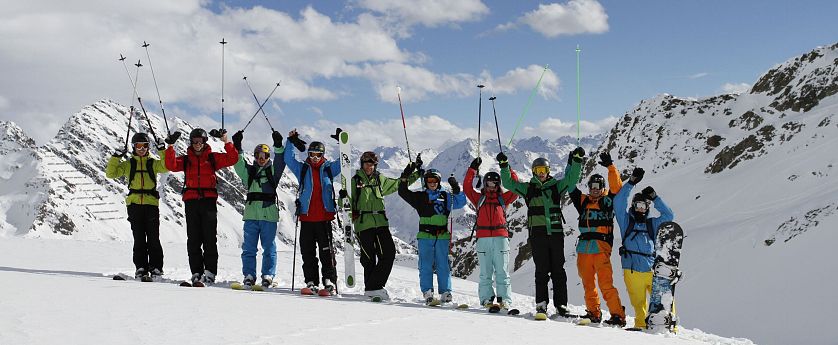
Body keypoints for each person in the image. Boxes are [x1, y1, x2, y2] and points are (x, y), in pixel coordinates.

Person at [497, 148, 584, 317]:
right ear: (534, 172)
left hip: (556, 234)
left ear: (548, 171)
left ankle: (561, 305)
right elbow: (508, 184)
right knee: (541, 270)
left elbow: (572, 179)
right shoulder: (528, 188)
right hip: (538, 236)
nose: (541, 173)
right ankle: (541, 304)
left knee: (558, 270)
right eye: (538, 171)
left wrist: (577, 161)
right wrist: (504, 165)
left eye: (544, 170)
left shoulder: (556, 187)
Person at [165, 128, 238, 286]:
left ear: (205, 142)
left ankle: (210, 272)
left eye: (201, 141)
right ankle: (196, 273)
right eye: (195, 141)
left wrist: (226, 141)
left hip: (208, 201)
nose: (198, 144)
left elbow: (233, 159)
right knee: (193, 240)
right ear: (191, 142)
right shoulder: (186, 160)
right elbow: (170, 164)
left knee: (209, 239)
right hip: (191, 201)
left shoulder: (212, 158)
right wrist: (170, 147)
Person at [347, 151, 421, 301]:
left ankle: (373, 287)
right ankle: (372, 289)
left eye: (373, 164)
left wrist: (416, 173)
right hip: (363, 223)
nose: (370, 167)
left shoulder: (379, 179)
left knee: (388, 253)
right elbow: (345, 203)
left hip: (380, 222)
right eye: (367, 164)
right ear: (362, 164)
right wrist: (343, 197)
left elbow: (398, 184)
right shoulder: (354, 181)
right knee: (368, 259)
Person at [568, 151, 626, 326]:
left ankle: (617, 315)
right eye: (592, 187)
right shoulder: (584, 201)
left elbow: (617, 188)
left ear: (602, 188)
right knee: (588, 284)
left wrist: (610, 167)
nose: (594, 190)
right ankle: (593, 312)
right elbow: (570, 185)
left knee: (606, 284)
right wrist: (573, 165)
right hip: (584, 249)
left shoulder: (608, 201)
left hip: (601, 247)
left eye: (598, 187)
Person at [614, 167, 674, 329]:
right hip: (631, 270)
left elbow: (669, 216)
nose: (641, 208)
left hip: (651, 268)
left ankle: (669, 325)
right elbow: (618, 203)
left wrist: (655, 198)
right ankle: (640, 325)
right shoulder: (626, 221)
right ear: (633, 205)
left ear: (648, 207)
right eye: (638, 205)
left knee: (662, 298)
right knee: (638, 302)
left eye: (644, 205)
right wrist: (631, 183)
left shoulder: (651, 224)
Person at [398, 165, 466, 305]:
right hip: (425, 236)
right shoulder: (420, 197)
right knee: (426, 265)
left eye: (435, 181)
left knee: (443, 265)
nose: (432, 183)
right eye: (429, 181)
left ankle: (446, 292)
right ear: (426, 182)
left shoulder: (446, 196)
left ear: (439, 181)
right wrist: (405, 176)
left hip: (442, 236)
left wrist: (457, 189)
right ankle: (427, 292)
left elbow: (461, 202)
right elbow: (402, 192)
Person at [285, 129, 341, 295]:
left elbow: (345, 161)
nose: (314, 158)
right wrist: (290, 142)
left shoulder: (330, 169)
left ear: (323, 155)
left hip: (324, 218)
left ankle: (329, 281)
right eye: (311, 154)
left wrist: (343, 143)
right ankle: (311, 281)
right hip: (307, 218)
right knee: (308, 253)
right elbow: (288, 159)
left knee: (326, 253)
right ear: (308, 155)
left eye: (318, 155)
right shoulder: (302, 169)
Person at [106, 132, 169, 280]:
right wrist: (116, 157)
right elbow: (111, 173)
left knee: (154, 238)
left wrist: (162, 150)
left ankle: (156, 269)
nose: (141, 148)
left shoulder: (153, 162)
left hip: (151, 204)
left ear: (148, 147)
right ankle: (141, 268)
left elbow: (166, 166)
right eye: (138, 145)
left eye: (145, 145)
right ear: (133, 147)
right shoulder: (128, 164)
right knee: (139, 238)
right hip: (134, 204)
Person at [231, 130, 286, 288]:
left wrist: (278, 146)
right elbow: (238, 164)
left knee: (269, 247)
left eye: (265, 156)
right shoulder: (249, 171)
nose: (261, 159)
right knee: (249, 248)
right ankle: (249, 275)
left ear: (269, 157)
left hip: (268, 216)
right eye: (258, 156)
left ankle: (268, 274)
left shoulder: (273, 172)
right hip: (251, 216)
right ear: (254, 156)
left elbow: (280, 162)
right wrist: (237, 147)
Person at [463, 157, 519, 310]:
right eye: (488, 183)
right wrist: (472, 169)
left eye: (494, 183)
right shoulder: (479, 198)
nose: (491, 187)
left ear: (498, 184)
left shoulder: (503, 198)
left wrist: (506, 167)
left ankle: (504, 300)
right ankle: (487, 299)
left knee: (502, 271)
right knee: (485, 272)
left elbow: (515, 186)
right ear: (485, 184)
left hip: (501, 237)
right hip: (483, 239)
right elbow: (467, 187)